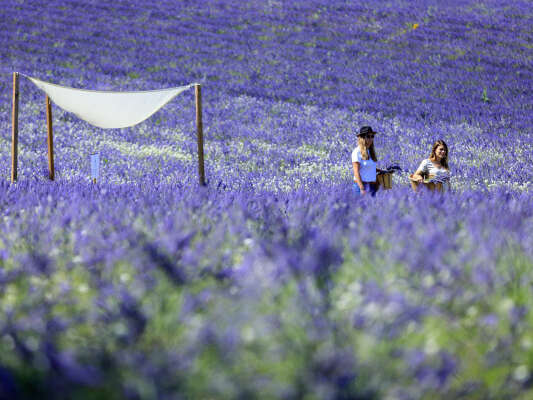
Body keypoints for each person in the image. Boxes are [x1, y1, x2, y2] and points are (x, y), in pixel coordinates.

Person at [352, 126, 378, 196]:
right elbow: (356, 172)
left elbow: (368, 168)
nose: (371, 139)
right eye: (368, 136)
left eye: (372, 136)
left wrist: (380, 171)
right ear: (362, 138)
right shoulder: (357, 151)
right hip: (361, 187)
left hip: (372, 187)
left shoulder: (370, 152)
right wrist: (362, 188)